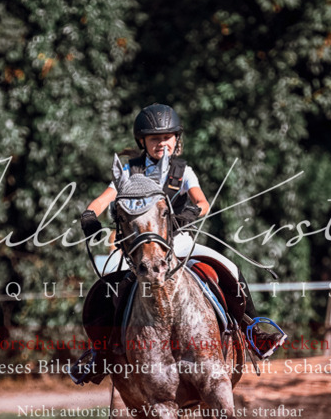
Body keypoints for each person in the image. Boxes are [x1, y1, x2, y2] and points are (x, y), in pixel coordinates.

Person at [73, 103, 284, 382]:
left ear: (176, 139)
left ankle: (252, 331)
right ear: (142, 142)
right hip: (137, 251)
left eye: (167, 137)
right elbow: (104, 199)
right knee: (105, 289)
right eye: (154, 138)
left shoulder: (182, 171)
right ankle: (101, 354)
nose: (162, 143)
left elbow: (202, 203)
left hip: (178, 242)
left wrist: (185, 217)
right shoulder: (129, 170)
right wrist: (89, 214)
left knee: (230, 268)